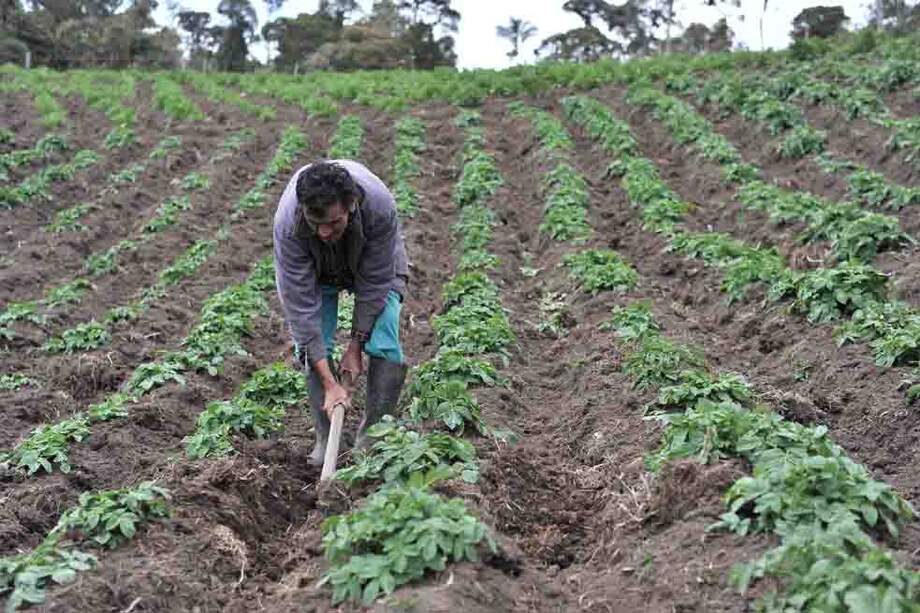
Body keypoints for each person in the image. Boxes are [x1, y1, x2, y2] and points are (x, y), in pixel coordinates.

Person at [273, 159, 409, 466]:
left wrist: (356, 347)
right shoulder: (289, 224)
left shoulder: (378, 207)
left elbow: (375, 284)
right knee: (312, 344)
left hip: (371, 260)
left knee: (384, 337)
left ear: (351, 205)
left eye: (333, 223)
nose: (323, 232)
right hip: (316, 270)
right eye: (315, 222)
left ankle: (374, 438)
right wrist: (331, 384)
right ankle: (325, 439)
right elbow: (301, 309)